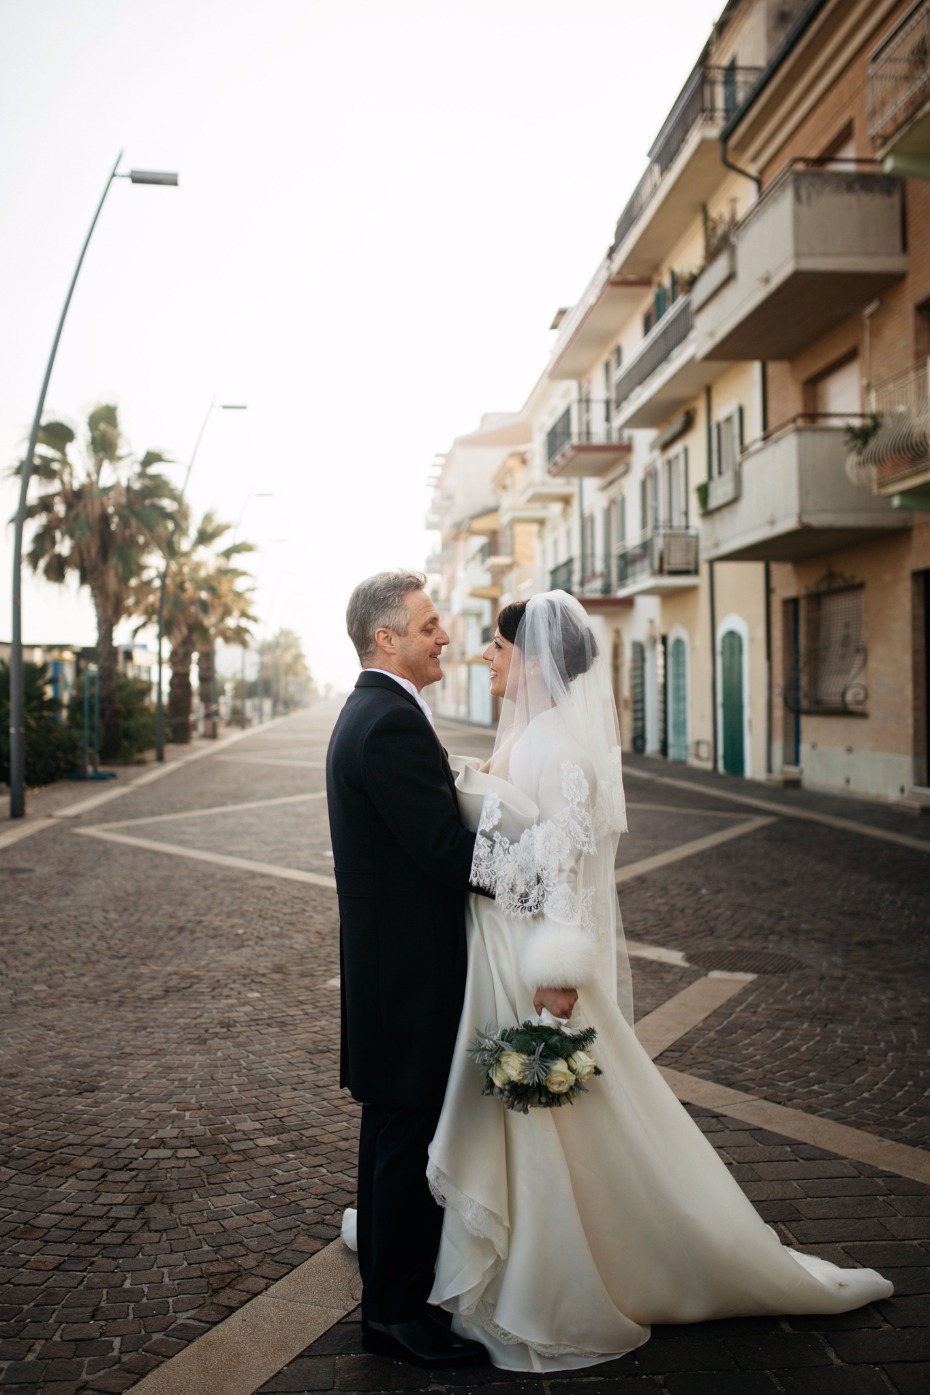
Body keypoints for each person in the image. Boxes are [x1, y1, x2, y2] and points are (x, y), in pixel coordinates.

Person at [426, 589, 893, 1373]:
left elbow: (565, 873)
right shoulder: (524, 735)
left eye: (498, 647)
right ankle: (502, 1251)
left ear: (532, 655)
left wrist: (559, 981)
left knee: (558, 1115)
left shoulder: (561, 751)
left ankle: (576, 1268)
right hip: (495, 955)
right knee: (513, 1115)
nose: (485, 655)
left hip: (534, 963)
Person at [326, 570, 486, 1369]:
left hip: (393, 974)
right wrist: (536, 866)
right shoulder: (386, 721)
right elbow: (443, 850)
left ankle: (392, 1305)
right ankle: (394, 1317)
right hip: (407, 981)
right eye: (429, 626)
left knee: (393, 1142)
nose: (444, 636)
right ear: (386, 638)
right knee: (404, 1148)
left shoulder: (377, 711)